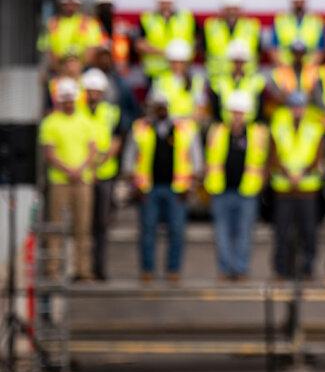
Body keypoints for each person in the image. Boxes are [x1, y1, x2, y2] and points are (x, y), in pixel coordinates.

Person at [122, 89, 202, 283]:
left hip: (177, 189)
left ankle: (173, 270)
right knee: (147, 231)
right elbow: (129, 158)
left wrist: (192, 184)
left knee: (177, 231)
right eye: (156, 106)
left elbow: (196, 158)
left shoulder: (184, 128)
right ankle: (147, 269)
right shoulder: (141, 128)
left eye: (162, 106)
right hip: (148, 188)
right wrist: (133, 184)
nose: (160, 110)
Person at [204, 90, 269, 281]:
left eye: (240, 113)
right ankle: (225, 269)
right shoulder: (217, 131)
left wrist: (261, 183)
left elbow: (265, 159)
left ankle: (240, 268)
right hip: (221, 189)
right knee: (221, 232)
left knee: (244, 232)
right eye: (234, 112)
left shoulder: (257, 133)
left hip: (247, 190)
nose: (237, 117)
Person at [38, 78, 96, 281]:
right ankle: (53, 269)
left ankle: (83, 270)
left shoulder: (85, 120)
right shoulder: (51, 123)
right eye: (65, 100)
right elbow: (49, 153)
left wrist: (79, 169)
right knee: (56, 225)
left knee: (83, 227)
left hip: (82, 181)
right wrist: (68, 170)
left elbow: (92, 150)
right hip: (60, 181)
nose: (69, 103)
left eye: (71, 99)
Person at [270, 91, 325, 281]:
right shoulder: (279, 127)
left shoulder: (314, 128)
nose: (297, 110)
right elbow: (273, 155)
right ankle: (281, 269)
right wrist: (287, 173)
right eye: (294, 107)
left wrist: (303, 173)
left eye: (300, 107)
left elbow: (318, 155)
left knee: (308, 231)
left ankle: (307, 268)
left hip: (307, 189)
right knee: (282, 232)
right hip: (284, 188)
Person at [82, 68, 128, 281]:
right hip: (83, 174)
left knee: (101, 224)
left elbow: (117, 140)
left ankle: (99, 268)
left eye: (97, 91)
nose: (94, 95)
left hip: (105, 173)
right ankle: (83, 269)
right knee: (83, 224)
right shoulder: (78, 112)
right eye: (90, 91)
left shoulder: (111, 112)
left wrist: (100, 161)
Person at [136, 0, 195, 81]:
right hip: (155, 72)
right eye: (163, 2)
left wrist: (184, 56)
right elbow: (139, 44)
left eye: (168, 2)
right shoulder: (147, 18)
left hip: (181, 72)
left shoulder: (187, 17)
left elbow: (196, 42)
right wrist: (166, 53)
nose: (165, 6)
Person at [39, 0, 102, 72]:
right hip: (58, 72)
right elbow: (47, 51)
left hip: (83, 71)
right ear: (61, 2)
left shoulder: (90, 23)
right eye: (67, 1)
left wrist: (76, 69)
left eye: (73, 1)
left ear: (79, 2)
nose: (70, 5)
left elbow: (92, 51)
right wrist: (63, 71)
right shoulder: (51, 24)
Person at [203, 0, 261, 78]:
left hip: (246, 79)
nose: (231, 12)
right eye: (228, 9)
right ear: (222, 9)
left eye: (235, 9)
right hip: (217, 79)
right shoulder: (211, 27)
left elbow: (259, 53)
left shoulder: (252, 27)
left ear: (241, 9)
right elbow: (204, 52)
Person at [204, 40, 266, 124]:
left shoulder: (255, 82)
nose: (238, 65)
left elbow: (261, 108)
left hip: (250, 125)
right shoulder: (220, 82)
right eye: (235, 61)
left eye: (241, 62)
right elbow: (215, 107)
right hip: (225, 124)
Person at [269, 0, 324, 68]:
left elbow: (320, 50)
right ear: (291, 1)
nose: (299, 5)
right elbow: (273, 49)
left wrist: (310, 68)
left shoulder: (316, 21)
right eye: (296, 2)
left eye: (301, 2)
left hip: (309, 70)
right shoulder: (280, 21)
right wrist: (283, 68)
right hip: (286, 69)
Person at [267, 40, 323, 128]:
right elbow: (275, 97)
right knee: (279, 118)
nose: (298, 56)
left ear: (304, 54)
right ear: (291, 53)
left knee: (317, 120)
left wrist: (312, 96)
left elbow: (318, 98)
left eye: (300, 53)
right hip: (287, 109)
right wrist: (282, 96)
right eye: (296, 53)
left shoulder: (313, 72)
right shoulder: (281, 72)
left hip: (308, 110)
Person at [151, 39, 200, 120]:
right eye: (174, 62)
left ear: (187, 63)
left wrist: (185, 119)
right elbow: (156, 107)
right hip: (167, 122)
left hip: (189, 122)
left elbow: (201, 109)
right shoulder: (161, 80)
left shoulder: (196, 81)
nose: (178, 66)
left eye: (181, 62)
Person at [92, 0, 132, 72]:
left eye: (108, 5)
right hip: (98, 70)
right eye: (103, 6)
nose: (106, 9)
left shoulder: (122, 25)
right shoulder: (91, 25)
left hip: (120, 71)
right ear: (98, 7)